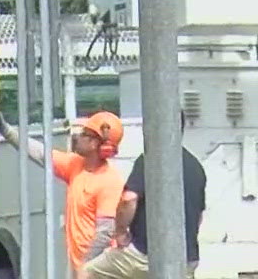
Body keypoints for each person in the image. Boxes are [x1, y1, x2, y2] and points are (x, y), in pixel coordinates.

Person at [0, 106, 128, 276]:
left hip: (98, 270)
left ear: (94, 143)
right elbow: (40, 153)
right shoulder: (76, 166)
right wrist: (5, 129)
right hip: (84, 268)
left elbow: (105, 232)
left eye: (84, 133)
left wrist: (86, 267)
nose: (78, 137)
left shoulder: (109, 181)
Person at [84, 111, 207, 279]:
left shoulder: (150, 160)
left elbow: (129, 199)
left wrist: (120, 232)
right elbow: (199, 217)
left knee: (86, 273)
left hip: (145, 255)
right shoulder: (196, 167)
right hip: (187, 259)